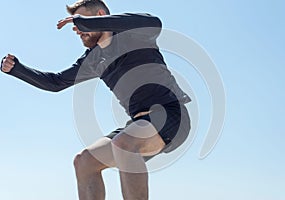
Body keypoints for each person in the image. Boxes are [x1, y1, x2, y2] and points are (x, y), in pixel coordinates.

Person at [1, 0, 191, 199]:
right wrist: (17, 70)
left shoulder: (135, 36)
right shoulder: (92, 60)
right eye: (77, 25)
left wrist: (88, 23)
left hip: (170, 113)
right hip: (139, 124)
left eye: (81, 22)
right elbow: (56, 83)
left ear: (101, 15)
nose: (78, 29)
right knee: (84, 162)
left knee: (123, 144)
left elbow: (154, 22)